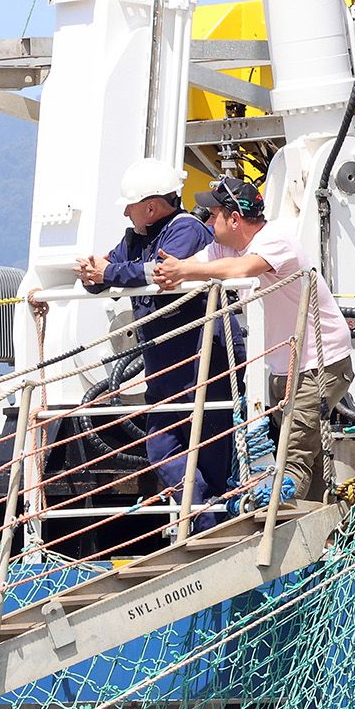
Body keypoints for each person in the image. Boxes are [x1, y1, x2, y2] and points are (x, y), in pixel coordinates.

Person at [151, 176, 354, 506]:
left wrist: (184, 272)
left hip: (320, 363)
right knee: (308, 457)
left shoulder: (275, 239)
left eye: (214, 213)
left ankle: (274, 543)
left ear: (234, 218)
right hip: (284, 368)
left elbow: (244, 268)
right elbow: (193, 266)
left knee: (293, 457)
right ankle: (322, 538)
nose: (207, 219)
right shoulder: (225, 247)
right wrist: (140, 271)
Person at [76, 158, 237, 530]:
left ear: (150, 207)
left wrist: (110, 271)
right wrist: (91, 275)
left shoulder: (187, 231)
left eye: (130, 206)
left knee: (212, 452)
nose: (127, 213)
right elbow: (112, 270)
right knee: (162, 448)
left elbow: (161, 273)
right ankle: (203, 520)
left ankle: (212, 522)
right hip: (164, 369)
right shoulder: (136, 240)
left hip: (200, 363)